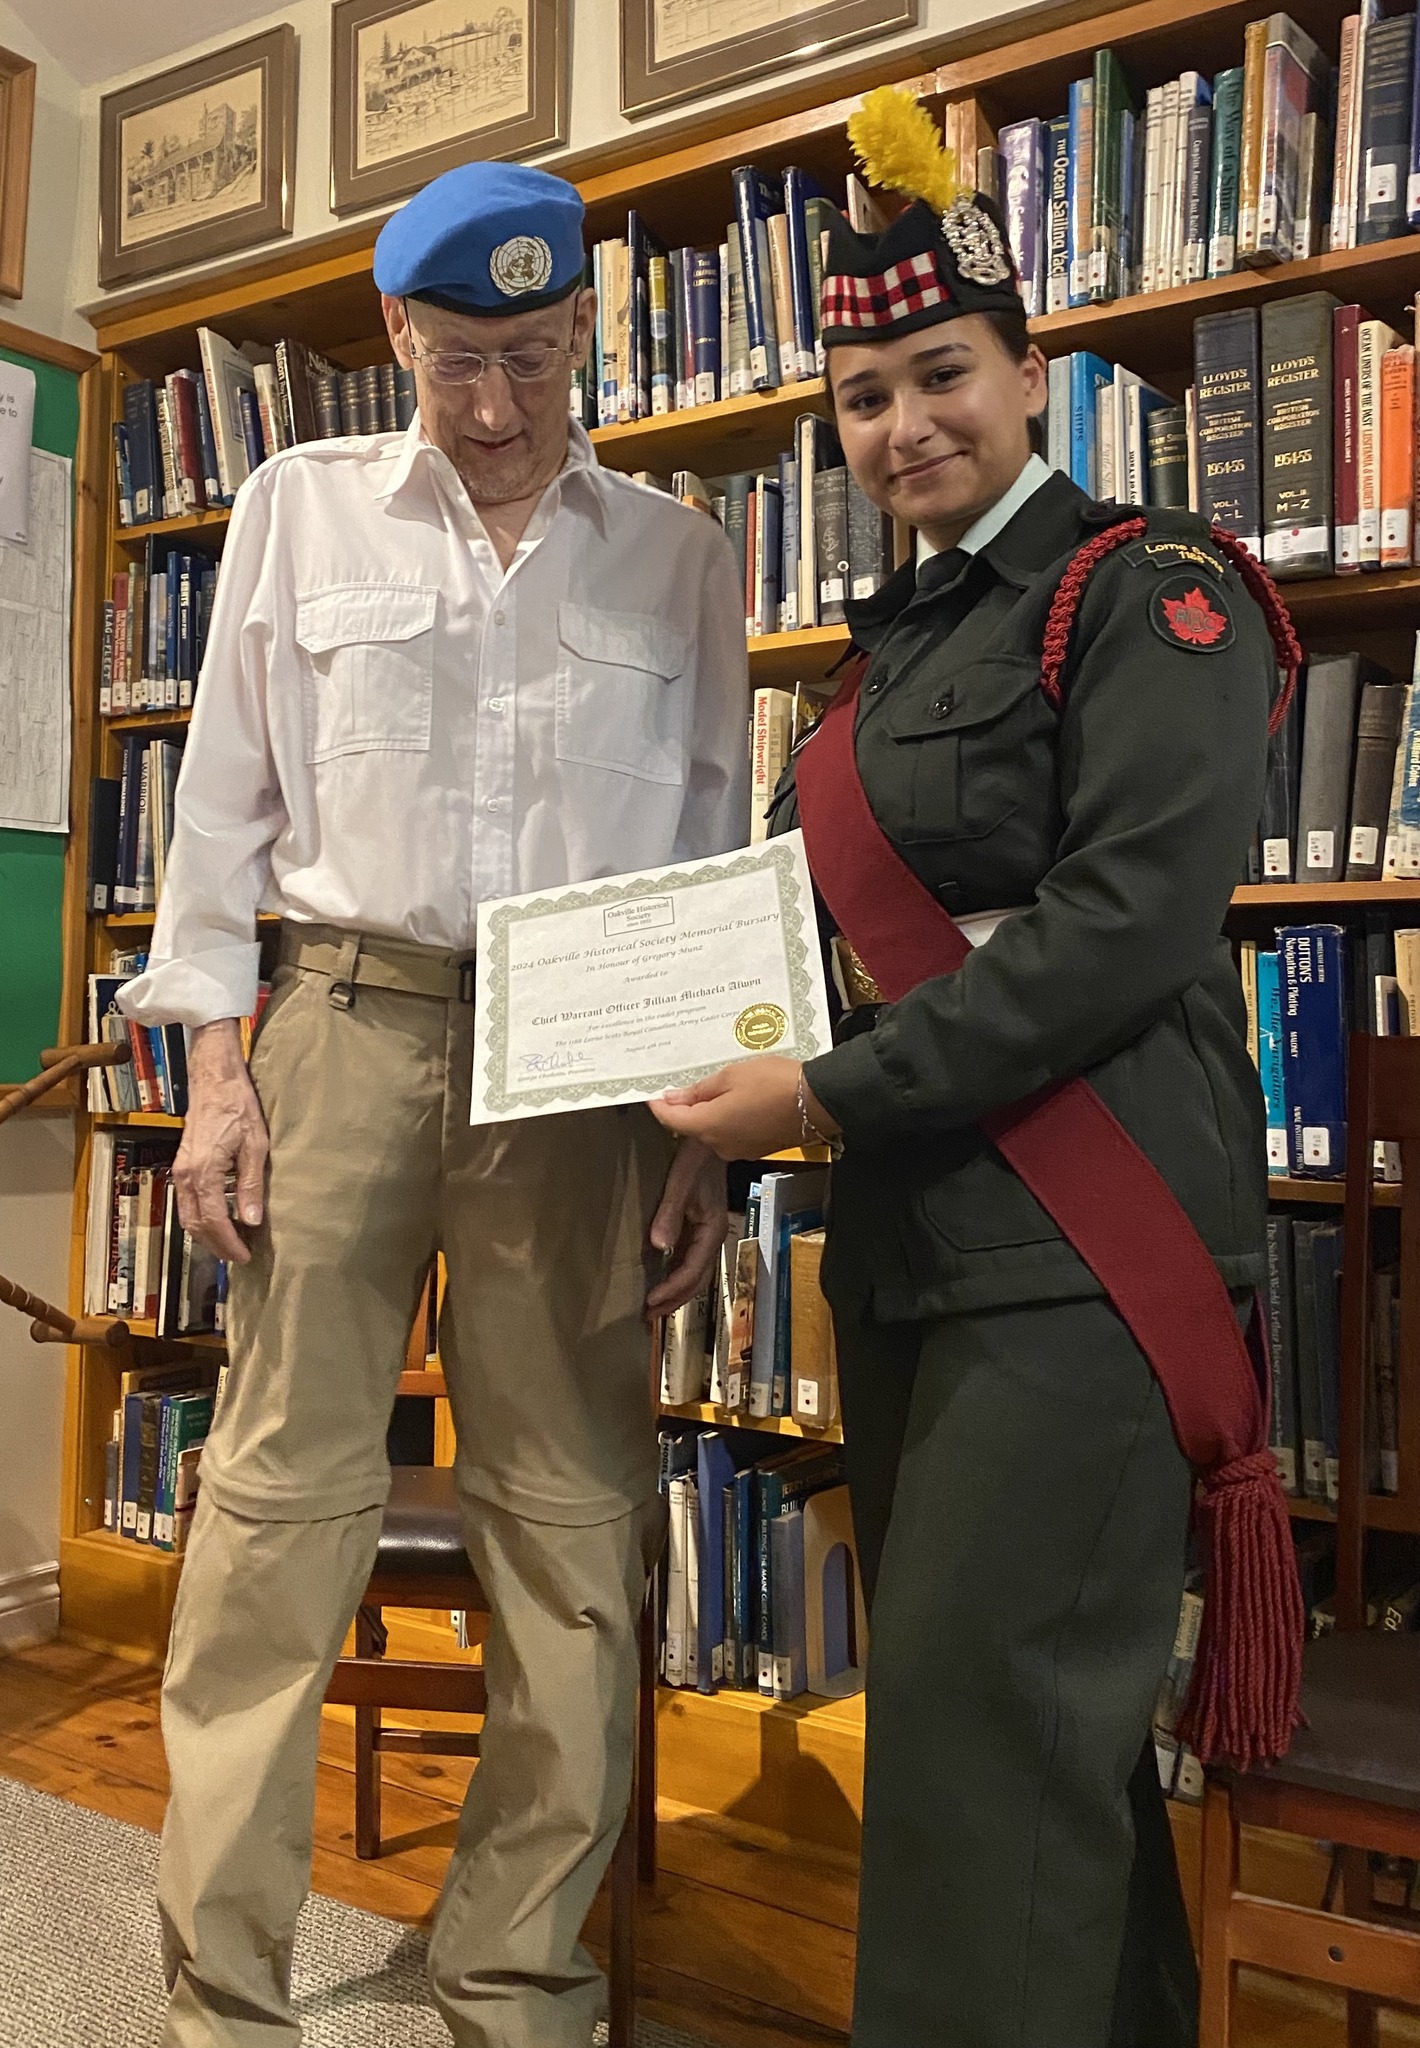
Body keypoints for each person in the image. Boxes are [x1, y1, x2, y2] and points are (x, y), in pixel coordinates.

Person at [652, 90, 1302, 2048]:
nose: (902, 424)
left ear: (1030, 370)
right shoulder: (882, 660)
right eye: (857, 397)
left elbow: (1117, 929)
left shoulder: (1142, 584)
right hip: (913, 1249)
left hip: (1081, 1258)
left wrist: (818, 1103)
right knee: (1037, 1743)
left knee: (962, 1738)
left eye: (939, 373)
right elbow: (799, 959)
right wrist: (708, 1144)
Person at [119, 160, 748, 2048]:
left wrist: (702, 1129)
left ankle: (516, 1984)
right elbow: (220, 811)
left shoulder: (684, 555)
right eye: (461, 359)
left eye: (540, 359)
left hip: (582, 1051)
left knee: (569, 1518)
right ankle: (218, 1995)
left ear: (587, 337)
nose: (498, 406)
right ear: (395, 333)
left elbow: (711, 846)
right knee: (272, 1503)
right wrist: (214, 1072)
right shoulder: (295, 513)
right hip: (346, 1018)